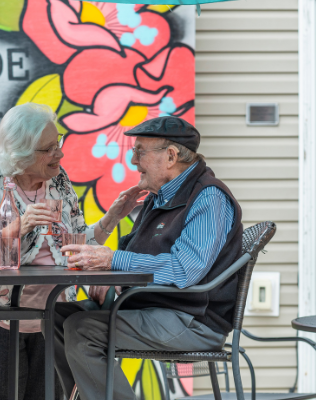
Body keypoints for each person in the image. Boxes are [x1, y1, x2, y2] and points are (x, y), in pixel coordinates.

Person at [54, 116, 243, 400]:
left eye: (140, 150)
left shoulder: (208, 197)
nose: (132, 160)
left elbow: (184, 270)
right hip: (152, 308)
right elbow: (134, 256)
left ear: (170, 156)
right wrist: (111, 281)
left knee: (82, 330)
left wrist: (112, 261)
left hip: (192, 320)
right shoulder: (159, 198)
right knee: (55, 316)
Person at [0, 102, 144, 400]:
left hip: (54, 314)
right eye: (48, 148)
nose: (59, 153)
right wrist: (17, 228)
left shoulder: (59, 181)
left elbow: (76, 242)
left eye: (58, 143)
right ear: (21, 152)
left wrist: (111, 218)